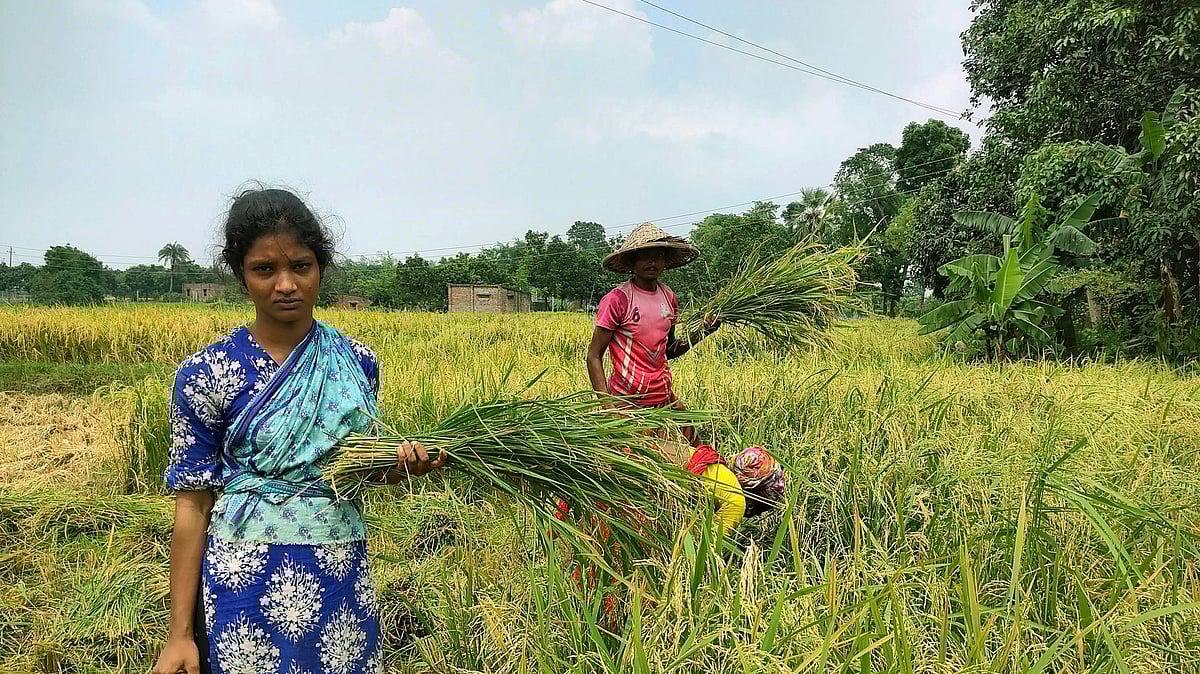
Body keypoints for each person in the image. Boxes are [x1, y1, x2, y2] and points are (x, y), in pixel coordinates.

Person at [153, 187, 445, 674]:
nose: (286, 284)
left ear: (321, 268)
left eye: (301, 266)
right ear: (241, 274)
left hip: (338, 567)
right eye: (265, 269)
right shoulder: (207, 373)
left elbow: (356, 472)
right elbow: (193, 505)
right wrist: (179, 635)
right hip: (243, 575)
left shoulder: (356, 363)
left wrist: (402, 465)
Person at [585, 222, 719, 442]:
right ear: (632, 261)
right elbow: (593, 356)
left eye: (658, 256)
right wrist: (608, 406)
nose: (653, 262)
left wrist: (703, 332)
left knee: (695, 447)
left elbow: (670, 350)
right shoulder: (618, 300)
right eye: (645, 256)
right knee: (643, 457)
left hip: (663, 396)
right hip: (627, 402)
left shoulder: (669, 297)